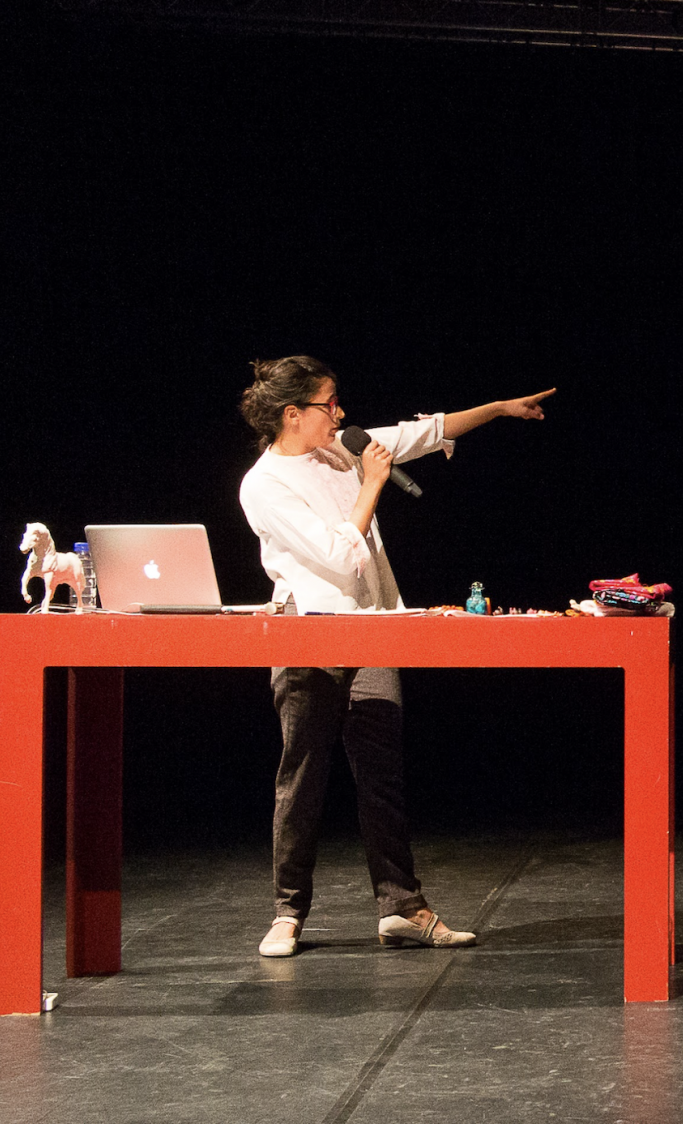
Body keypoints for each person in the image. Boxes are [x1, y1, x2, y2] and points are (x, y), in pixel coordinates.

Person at [237, 355, 554, 957]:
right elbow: (339, 557)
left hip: (374, 628)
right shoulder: (265, 483)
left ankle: (402, 908)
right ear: (293, 414)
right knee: (302, 777)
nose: (341, 415)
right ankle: (287, 913)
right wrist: (373, 484)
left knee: (381, 774)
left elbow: (423, 432)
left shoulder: (341, 449)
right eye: (330, 405)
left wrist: (497, 409)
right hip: (309, 635)